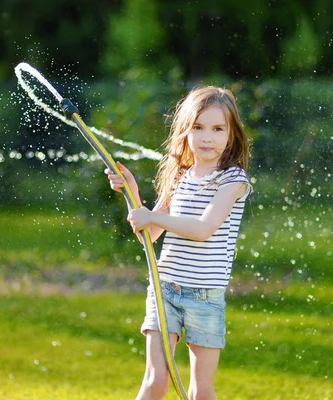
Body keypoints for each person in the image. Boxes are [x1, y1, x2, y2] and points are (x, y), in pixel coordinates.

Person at [105, 86, 252, 400]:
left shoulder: (233, 181)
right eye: (197, 128)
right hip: (165, 290)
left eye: (217, 129)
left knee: (201, 391)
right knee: (156, 380)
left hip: (205, 297)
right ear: (185, 131)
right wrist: (131, 191)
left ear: (231, 135)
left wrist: (151, 217)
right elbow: (149, 233)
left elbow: (202, 229)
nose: (206, 137)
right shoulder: (179, 176)